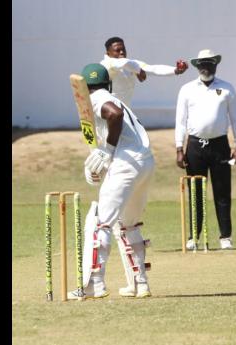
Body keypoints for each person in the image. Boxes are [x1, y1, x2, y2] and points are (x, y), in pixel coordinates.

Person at [68, 63, 155, 299]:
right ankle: (140, 283)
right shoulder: (116, 98)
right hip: (145, 162)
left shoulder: (96, 99)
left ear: (86, 88)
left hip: (126, 163)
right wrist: (99, 160)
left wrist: (107, 151)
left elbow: (112, 114)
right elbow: (111, 125)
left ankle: (94, 283)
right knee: (129, 224)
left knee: (100, 222)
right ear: (108, 83)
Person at [175, 49, 236, 250]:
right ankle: (193, 237)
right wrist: (179, 148)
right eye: (202, 63)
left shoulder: (227, 88)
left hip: (221, 145)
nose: (206, 66)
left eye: (210, 63)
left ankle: (225, 237)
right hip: (195, 146)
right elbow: (180, 121)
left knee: (222, 191)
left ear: (216, 64)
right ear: (197, 66)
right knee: (195, 192)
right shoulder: (187, 89)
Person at [100, 36, 188, 107]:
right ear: (108, 53)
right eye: (117, 50)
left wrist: (175, 70)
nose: (122, 52)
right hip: (107, 112)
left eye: (123, 49)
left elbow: (153, 69)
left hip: (125, 111)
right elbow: (121, 63)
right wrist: (138, 70)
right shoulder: (105, 64)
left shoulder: (131, 64)